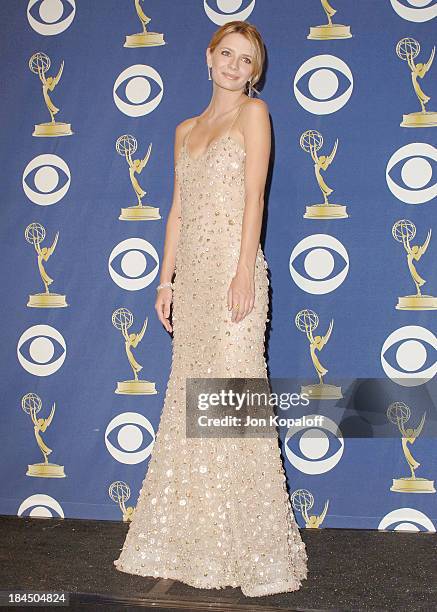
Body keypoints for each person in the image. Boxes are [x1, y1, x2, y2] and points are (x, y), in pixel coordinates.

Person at [114, 20, 308, 598]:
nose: (233, 65)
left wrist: (244, 269)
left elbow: (255, 196)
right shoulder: (183, 129)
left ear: (255, 71)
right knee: (188, 403)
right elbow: (176, 209)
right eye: (226, 54)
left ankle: (241, 547)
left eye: (245, 59)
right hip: (192, 283)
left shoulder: (255, 115)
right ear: (208, 58)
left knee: (230, 401)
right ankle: (183, 541)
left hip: (232, 275)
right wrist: (164, 277)